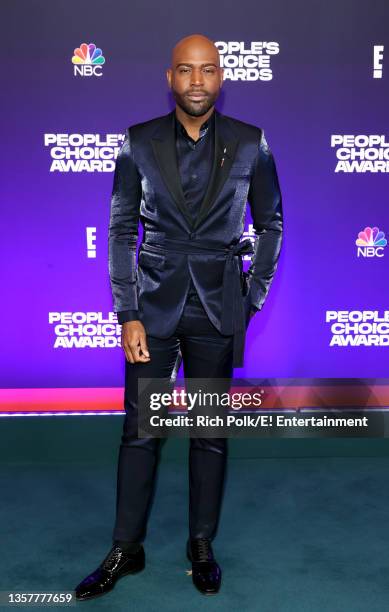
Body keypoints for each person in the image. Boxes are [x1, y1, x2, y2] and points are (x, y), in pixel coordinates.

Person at [75, 32, 283, 600]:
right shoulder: (137, 142)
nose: (197, 80)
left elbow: (271, 225)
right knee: (140, 432)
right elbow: (121, 230)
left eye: (207, 70)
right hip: (154, 310)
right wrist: (128, 312)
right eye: (186, 71)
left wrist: (252, 297)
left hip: (219, 309)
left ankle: (201, 544)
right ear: (169, 78)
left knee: (210, 434)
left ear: (221, 78)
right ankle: (127, 548)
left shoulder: (251, 143)